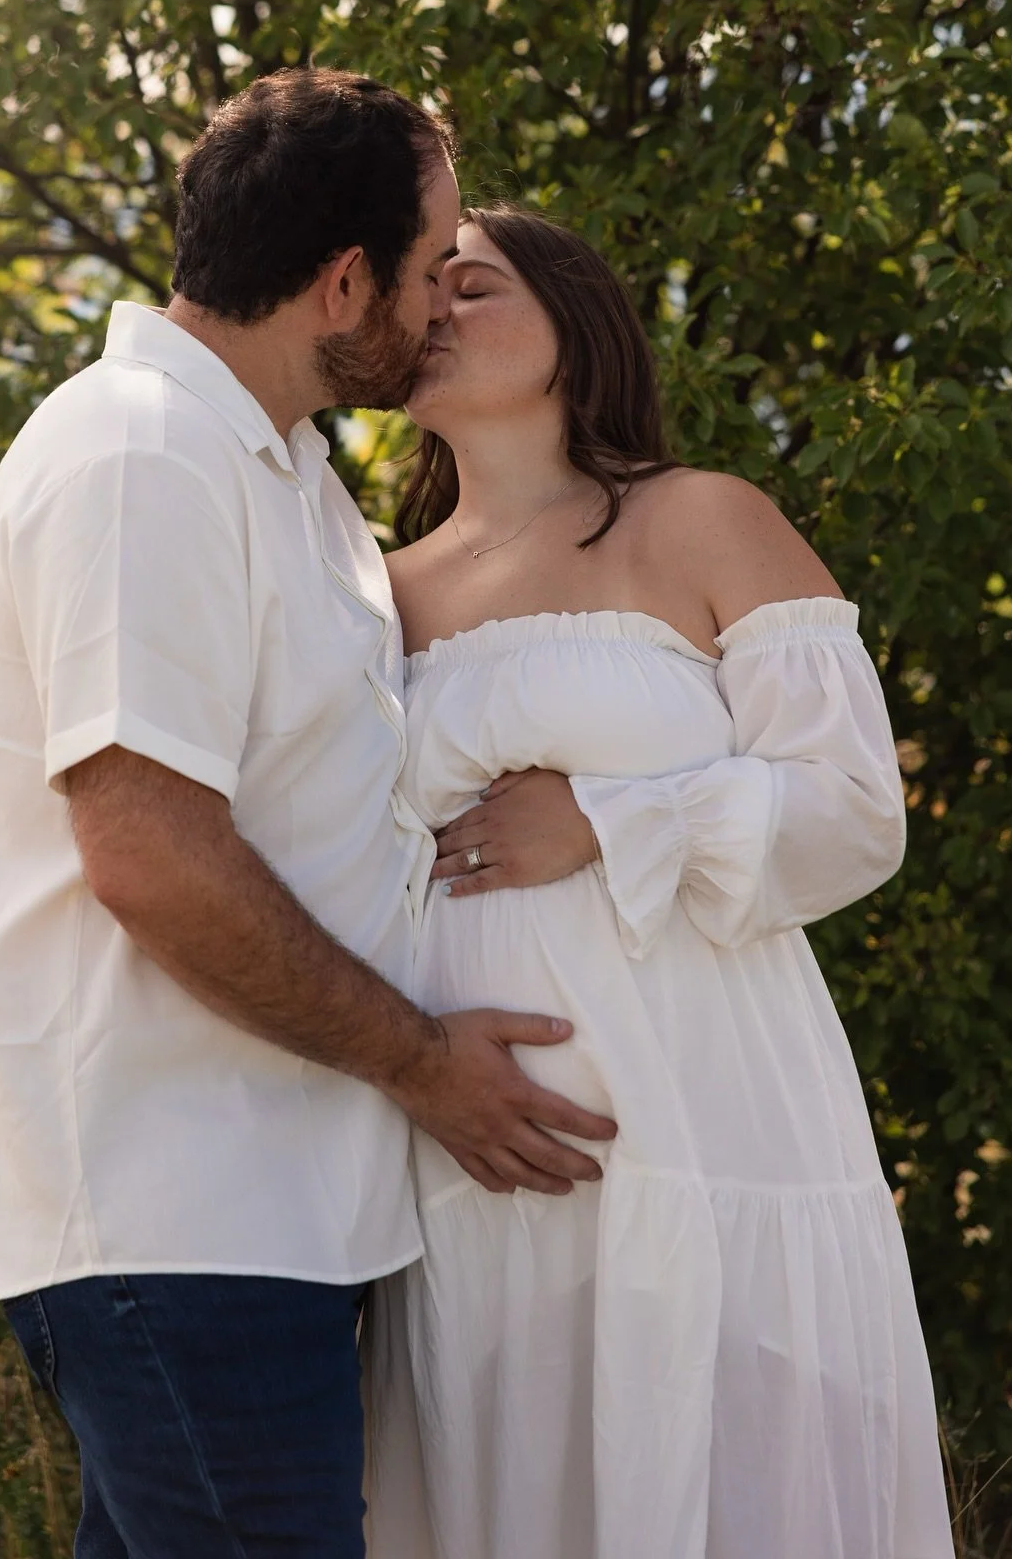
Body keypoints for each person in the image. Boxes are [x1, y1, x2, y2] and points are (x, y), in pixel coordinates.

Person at [0, 76, 616, 1558]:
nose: (446, 305)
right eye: (434, 270)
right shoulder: (141, 456)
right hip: (176, 1211)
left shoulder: (288, 477)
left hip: (277, 1208)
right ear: (345, 281)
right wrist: (427, 1065)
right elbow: (151, 858)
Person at [365, 205, 955, 1559]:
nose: (439, 310)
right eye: (422, 291)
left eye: (475, 285)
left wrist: (612, 821)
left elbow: (856, 807)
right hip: (478, 1166)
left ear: (578, 325)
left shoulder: (699, 519)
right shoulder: (370, 591)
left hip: (710, 1123)